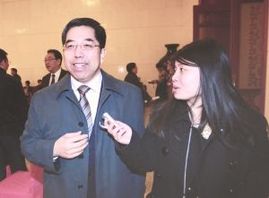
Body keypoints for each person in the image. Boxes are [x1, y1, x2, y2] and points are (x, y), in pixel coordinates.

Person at [102, 39, 269, 198]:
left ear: (208, 73)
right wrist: (128, 140)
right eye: (174, 70)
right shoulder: (165, 116)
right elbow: (146, 161)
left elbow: (257, 186)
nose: (173, 77)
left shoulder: (247, 124)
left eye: (182, 70)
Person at [21, 18, 145, 198]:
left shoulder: (129, 95)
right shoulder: (43, 98)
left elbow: (142, 152)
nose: (78, 53)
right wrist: (53, 148)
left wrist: (129, 141)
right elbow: (28, 144)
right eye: (70, 46)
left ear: (102, 53)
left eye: (87, 45)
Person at [0, 48, 27, 181]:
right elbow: (23, 108)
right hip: (12, 132)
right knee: (18, 170)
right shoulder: (12, 81)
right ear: (3, 62)